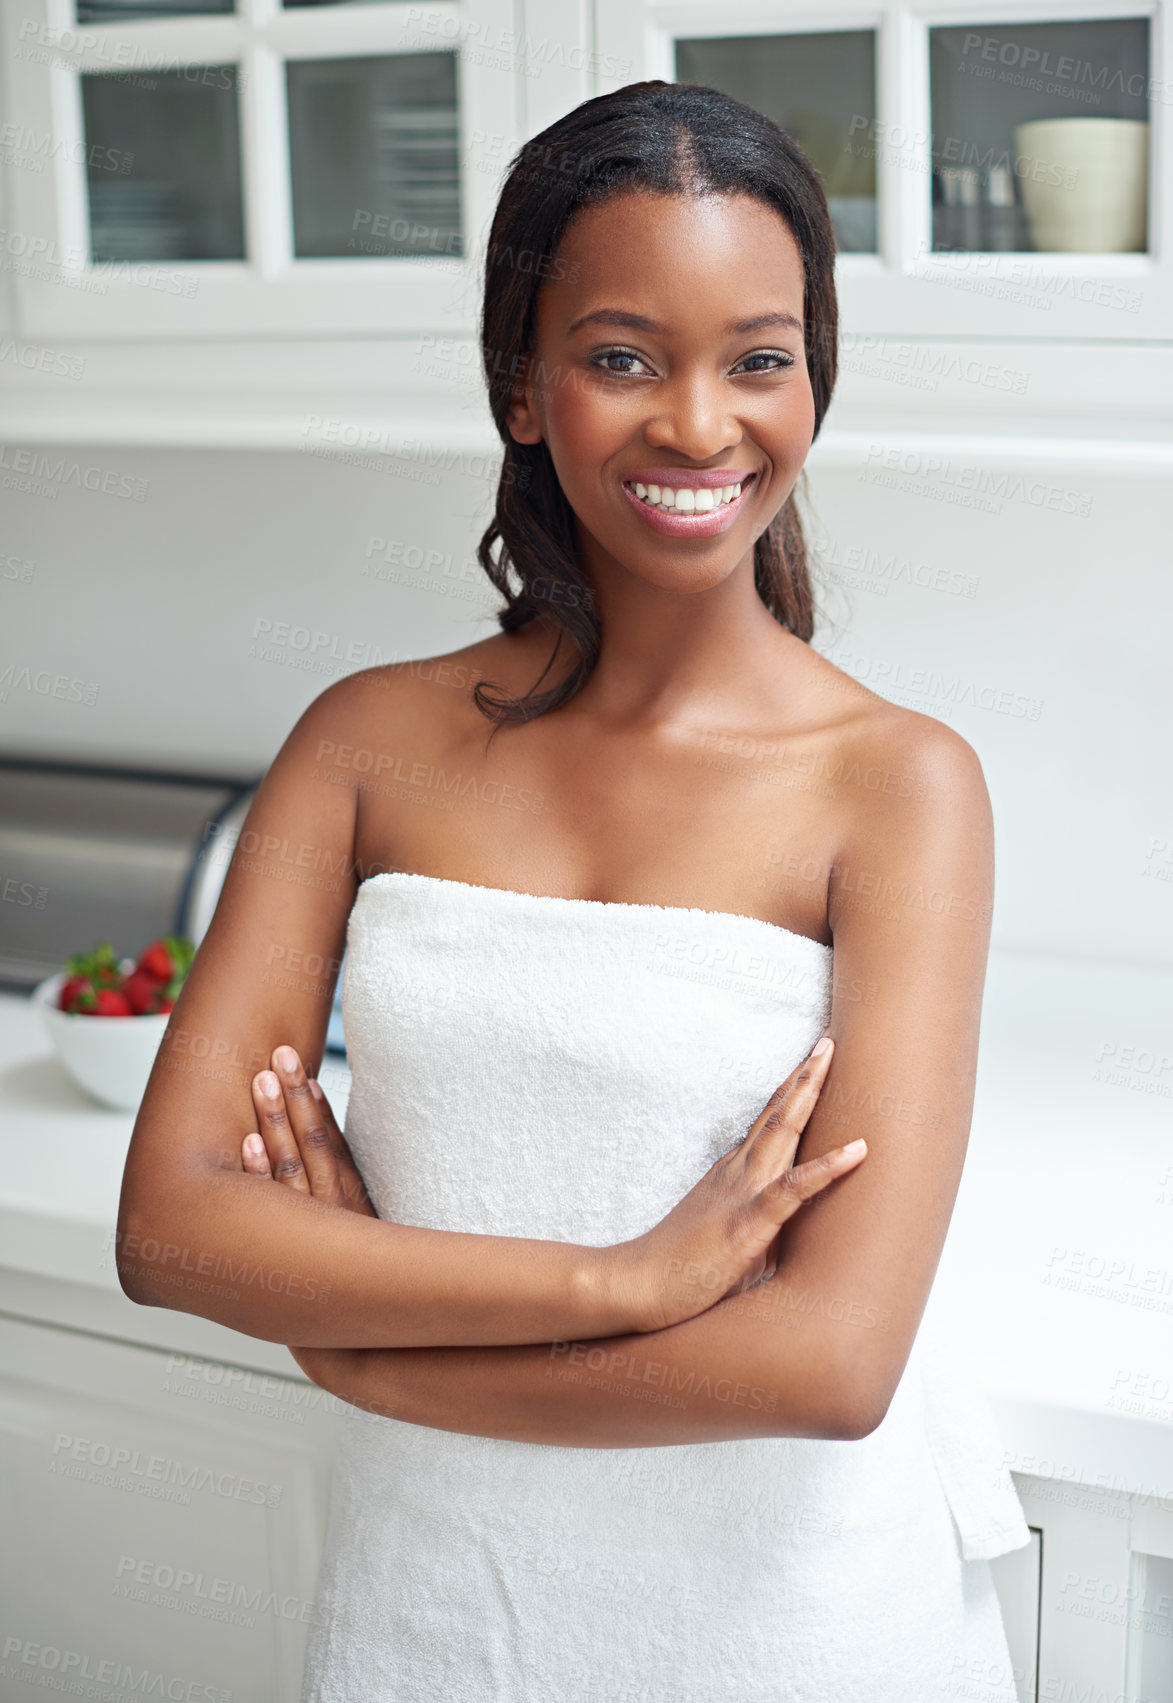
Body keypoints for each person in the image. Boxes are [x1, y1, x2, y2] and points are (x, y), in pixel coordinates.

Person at [118, 80, 1030, 1702]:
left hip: (791, 1628)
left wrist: (372, 1356)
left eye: (758, 355)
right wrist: (618, 1282)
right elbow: (177, 1226)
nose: (698, 422)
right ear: (522, 387)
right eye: (622, 356)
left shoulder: (897, 786)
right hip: (435, 1610)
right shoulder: (365, 742)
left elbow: (828, 1362)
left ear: (813, 375)